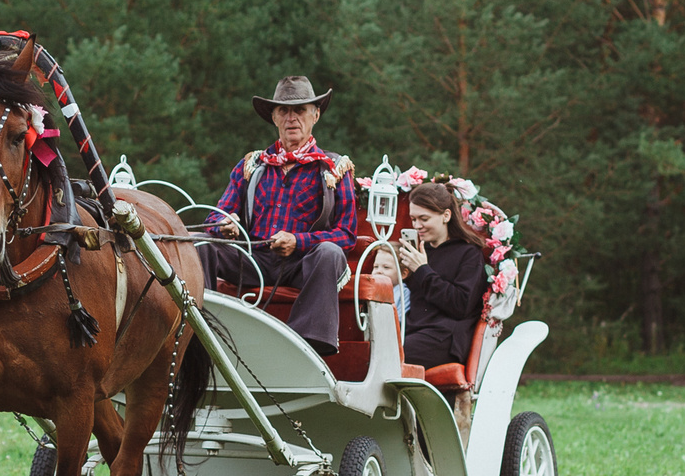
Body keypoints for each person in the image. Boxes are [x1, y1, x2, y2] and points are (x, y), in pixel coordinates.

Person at [200, 75, 358, 359]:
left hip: (302, 264)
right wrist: (226, 224)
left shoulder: (334, 169)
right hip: (252, 259)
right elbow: (216, 215)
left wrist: (298, 241)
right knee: (200, 243)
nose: (291, 118)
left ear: (315, 115)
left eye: (299, 110)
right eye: (283, 111)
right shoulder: (251, 165)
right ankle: (201, 329)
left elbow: (346, 234)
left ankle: (305, 346)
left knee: (331, 253)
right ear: (274, 118)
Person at [394, 181, 492, 372]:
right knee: (374, 350)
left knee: (392, 355)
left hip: (446, 338)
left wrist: (422, 269)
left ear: (446, 215)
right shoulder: (420, 252)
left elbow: (461, 305)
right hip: (413, 332)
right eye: (414, 219)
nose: (417, 226)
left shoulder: (469, 254)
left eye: (424, 218)